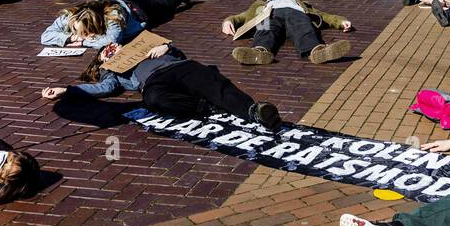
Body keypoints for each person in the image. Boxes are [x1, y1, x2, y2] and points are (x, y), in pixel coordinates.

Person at [43, 39, 282, 133]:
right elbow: (105, 89)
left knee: (212, 83)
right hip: (153, 83)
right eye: (107, 52)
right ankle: (204, 108)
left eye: (113, 47)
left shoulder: (145, 45)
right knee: (155, 99)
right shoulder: (110, 70)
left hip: (179, 67)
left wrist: (169, 47)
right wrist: (68, 90)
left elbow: (179, 53)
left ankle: (254, 111)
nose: (112, 50)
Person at [220, 0, 351, 65]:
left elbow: (324, 15)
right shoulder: (261, 5)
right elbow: (240, 17)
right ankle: (259, 52)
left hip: (294, 12)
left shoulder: (298, 3)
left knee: (303, 26)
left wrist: (341, 21)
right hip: (268, 14)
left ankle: (318, 52)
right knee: (264, 28)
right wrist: (228, 22)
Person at [41, 0, 193, 49]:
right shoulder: (71, 17)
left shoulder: (112, 18)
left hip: (138, 10)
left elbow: (112, 40)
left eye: (84, 33)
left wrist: (83, 43)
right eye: (75, 30)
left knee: (163, 5)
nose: (76, 34)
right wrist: (70, 38)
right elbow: (45, 36)